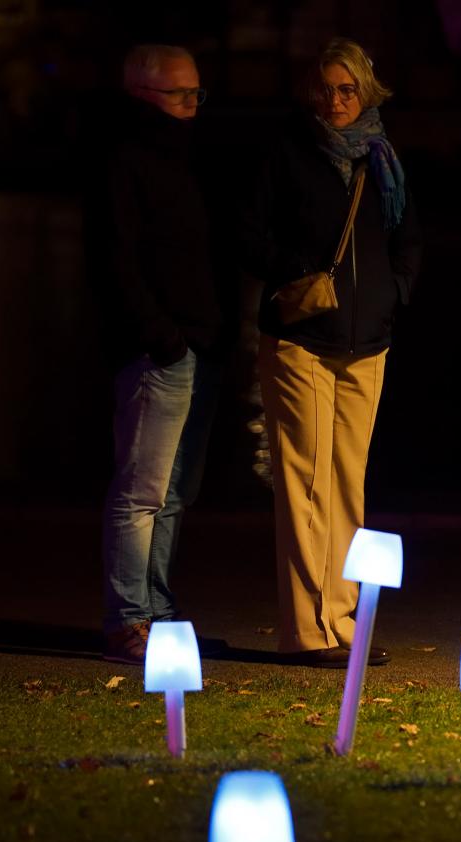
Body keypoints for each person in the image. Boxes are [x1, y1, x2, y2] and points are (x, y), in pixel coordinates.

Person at [241, 38, 422, 668]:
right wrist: (303, 273)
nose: (336, 100)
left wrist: (392, 295)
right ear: (310, 92)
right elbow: (249, 237)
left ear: (366, 92)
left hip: (367, 342)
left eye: (347, 89)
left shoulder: (383, 158)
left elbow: (408, 240)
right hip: (302, 340)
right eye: (326, 89)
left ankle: (342, 622)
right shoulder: (287, 153)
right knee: (303, 484)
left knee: (347, 485)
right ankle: (306, 628)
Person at [94, 43, 228, 665]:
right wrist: (162, 336)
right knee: (142, 491)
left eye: (197, 93)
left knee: (172, 493)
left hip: (193, 343)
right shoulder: (124, 159)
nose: (193, 105)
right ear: (143, 96)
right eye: (181, 94)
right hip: (164, 349)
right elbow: (119, 261)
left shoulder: (186, 157)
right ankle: (130, 619)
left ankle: (159, 613)